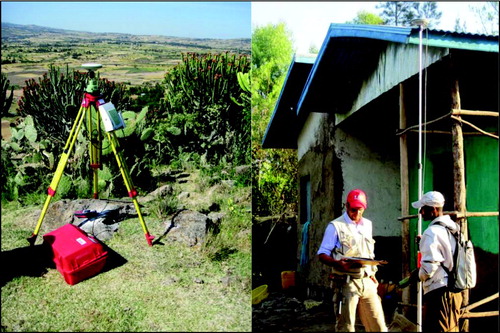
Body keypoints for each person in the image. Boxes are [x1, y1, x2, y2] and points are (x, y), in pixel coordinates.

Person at [317, 189, 387, 332]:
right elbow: (322, 254)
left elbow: (369, 252)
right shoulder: (335, 226)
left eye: (360, 210)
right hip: (346, 282)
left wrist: (373, 274)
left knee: (378, 326)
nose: (356, 214)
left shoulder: (367, 224)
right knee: (346, 327)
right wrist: (338, 264)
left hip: (367, 281)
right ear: (346, 206)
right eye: (353, 209)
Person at [412, 191, 463, 332]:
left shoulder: (432, 232)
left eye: (423, 209)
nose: (421, 212)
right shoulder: (452, 228)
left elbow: (429, 268)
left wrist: (418, 275)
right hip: (454, 290)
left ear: (433, 209)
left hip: (439, 292)